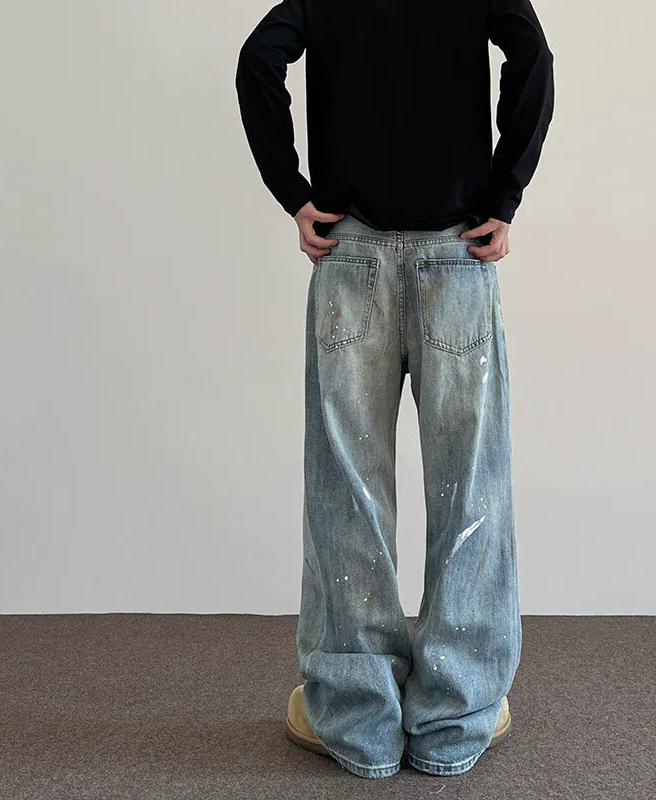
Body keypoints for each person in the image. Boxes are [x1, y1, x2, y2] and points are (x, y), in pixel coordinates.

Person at [235, 0, 554, 779]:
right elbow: (532, 57)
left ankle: (360, 719)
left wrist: (293, 191)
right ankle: (455, 717)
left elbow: (258, 58)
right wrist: (505, 197)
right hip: (458, 255)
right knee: (471, 489)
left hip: (351, 258)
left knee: (348, 491)